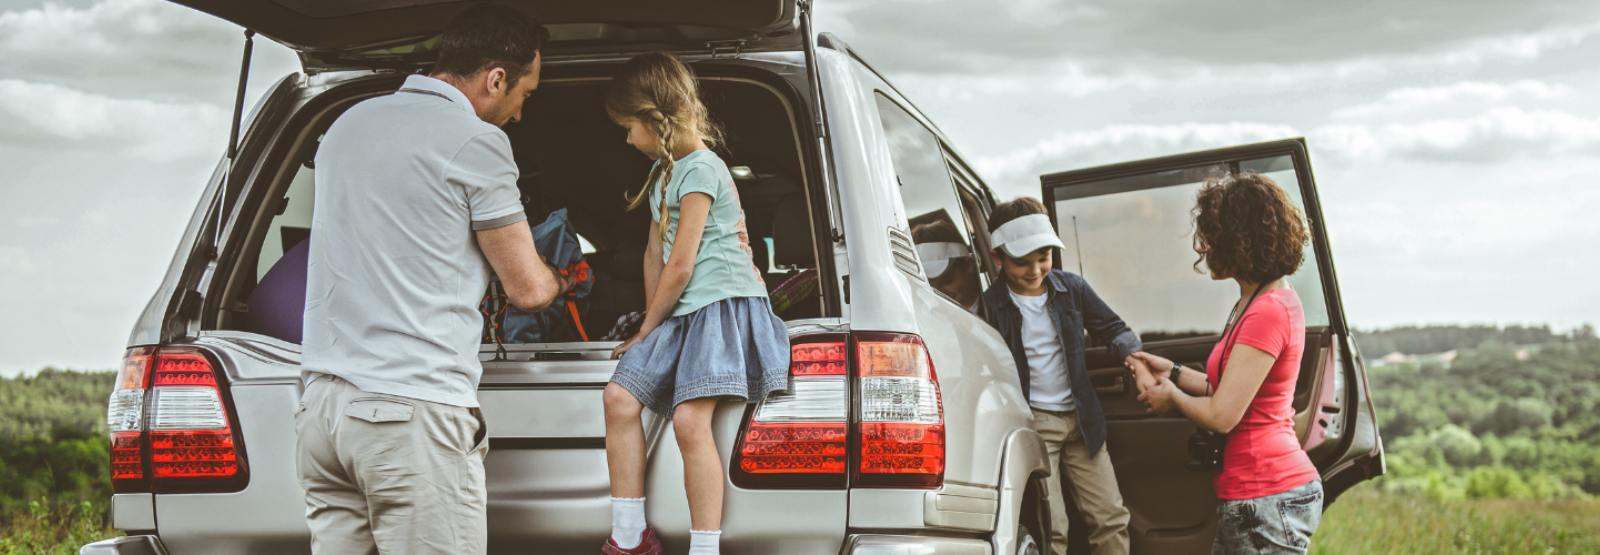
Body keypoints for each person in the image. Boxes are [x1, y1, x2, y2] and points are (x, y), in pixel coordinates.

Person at [295, 5, 563, 554]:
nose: (519, 114)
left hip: (322, 411)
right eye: (524, 94)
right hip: (407, 414)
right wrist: (560, 276)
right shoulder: (474, 142)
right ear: (495, 79)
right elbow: (528, 290)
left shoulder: (348, 123)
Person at [600, 51, 791, 555]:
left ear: (652, 119)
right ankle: (628, 537)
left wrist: (647, 330)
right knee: (618, 399)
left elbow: (682, 263)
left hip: (722, 307)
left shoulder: (703, 167)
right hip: (681, 312)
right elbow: (653, 253)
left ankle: (704, 548)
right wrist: (650, 321)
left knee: (689, 421)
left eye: (628, 127)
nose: (626, 139)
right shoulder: (666, 174)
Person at [1129, 173, 1323, 554]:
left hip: (1266, 496)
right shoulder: (1255, 301)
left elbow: (1223, 415)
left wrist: (1172, 399)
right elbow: (1232, 391)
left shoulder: (1268, 310)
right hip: (1257, 495)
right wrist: (1175, 372)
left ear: (1240, 241)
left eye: (1212, 236)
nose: (1203, 247)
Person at [980, 197, 1143, 555]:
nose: (1036, 270)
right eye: (1022, 263)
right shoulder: (990, 307)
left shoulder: (1073, 289)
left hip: (1083, 421)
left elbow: (1114, 329)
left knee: (1110, 517)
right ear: (998, 259)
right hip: (1035, 422)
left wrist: (1135, 359)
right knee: (1053, 527)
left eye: (1044, 258)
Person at [912, 217, 982, 313]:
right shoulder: (928, 320)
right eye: (930, 286)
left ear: (969, 263)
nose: (940, 293)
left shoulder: (998, 309)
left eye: (946, 281)